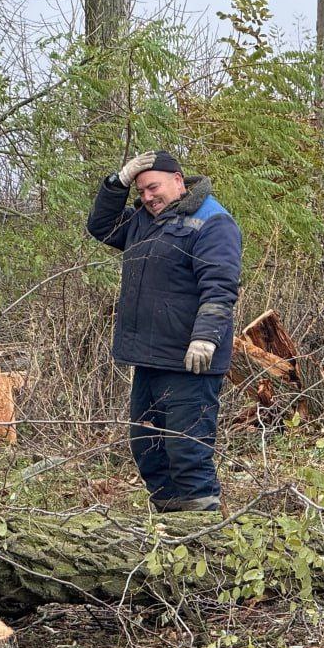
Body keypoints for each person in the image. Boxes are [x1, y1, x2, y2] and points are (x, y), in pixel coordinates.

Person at [87, 150, 242, 512]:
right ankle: (171, 530)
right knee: (149, 450)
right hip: (149, 358)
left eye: (152, 187)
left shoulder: (213, 222)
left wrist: (205, 337)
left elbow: (219, 288)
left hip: (190, 362)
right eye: (139, 191)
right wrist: (116, 183)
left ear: (178, 179)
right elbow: (100, 226)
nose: (147, 197)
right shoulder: (143, 221)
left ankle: (204, 538)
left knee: (188, 452)